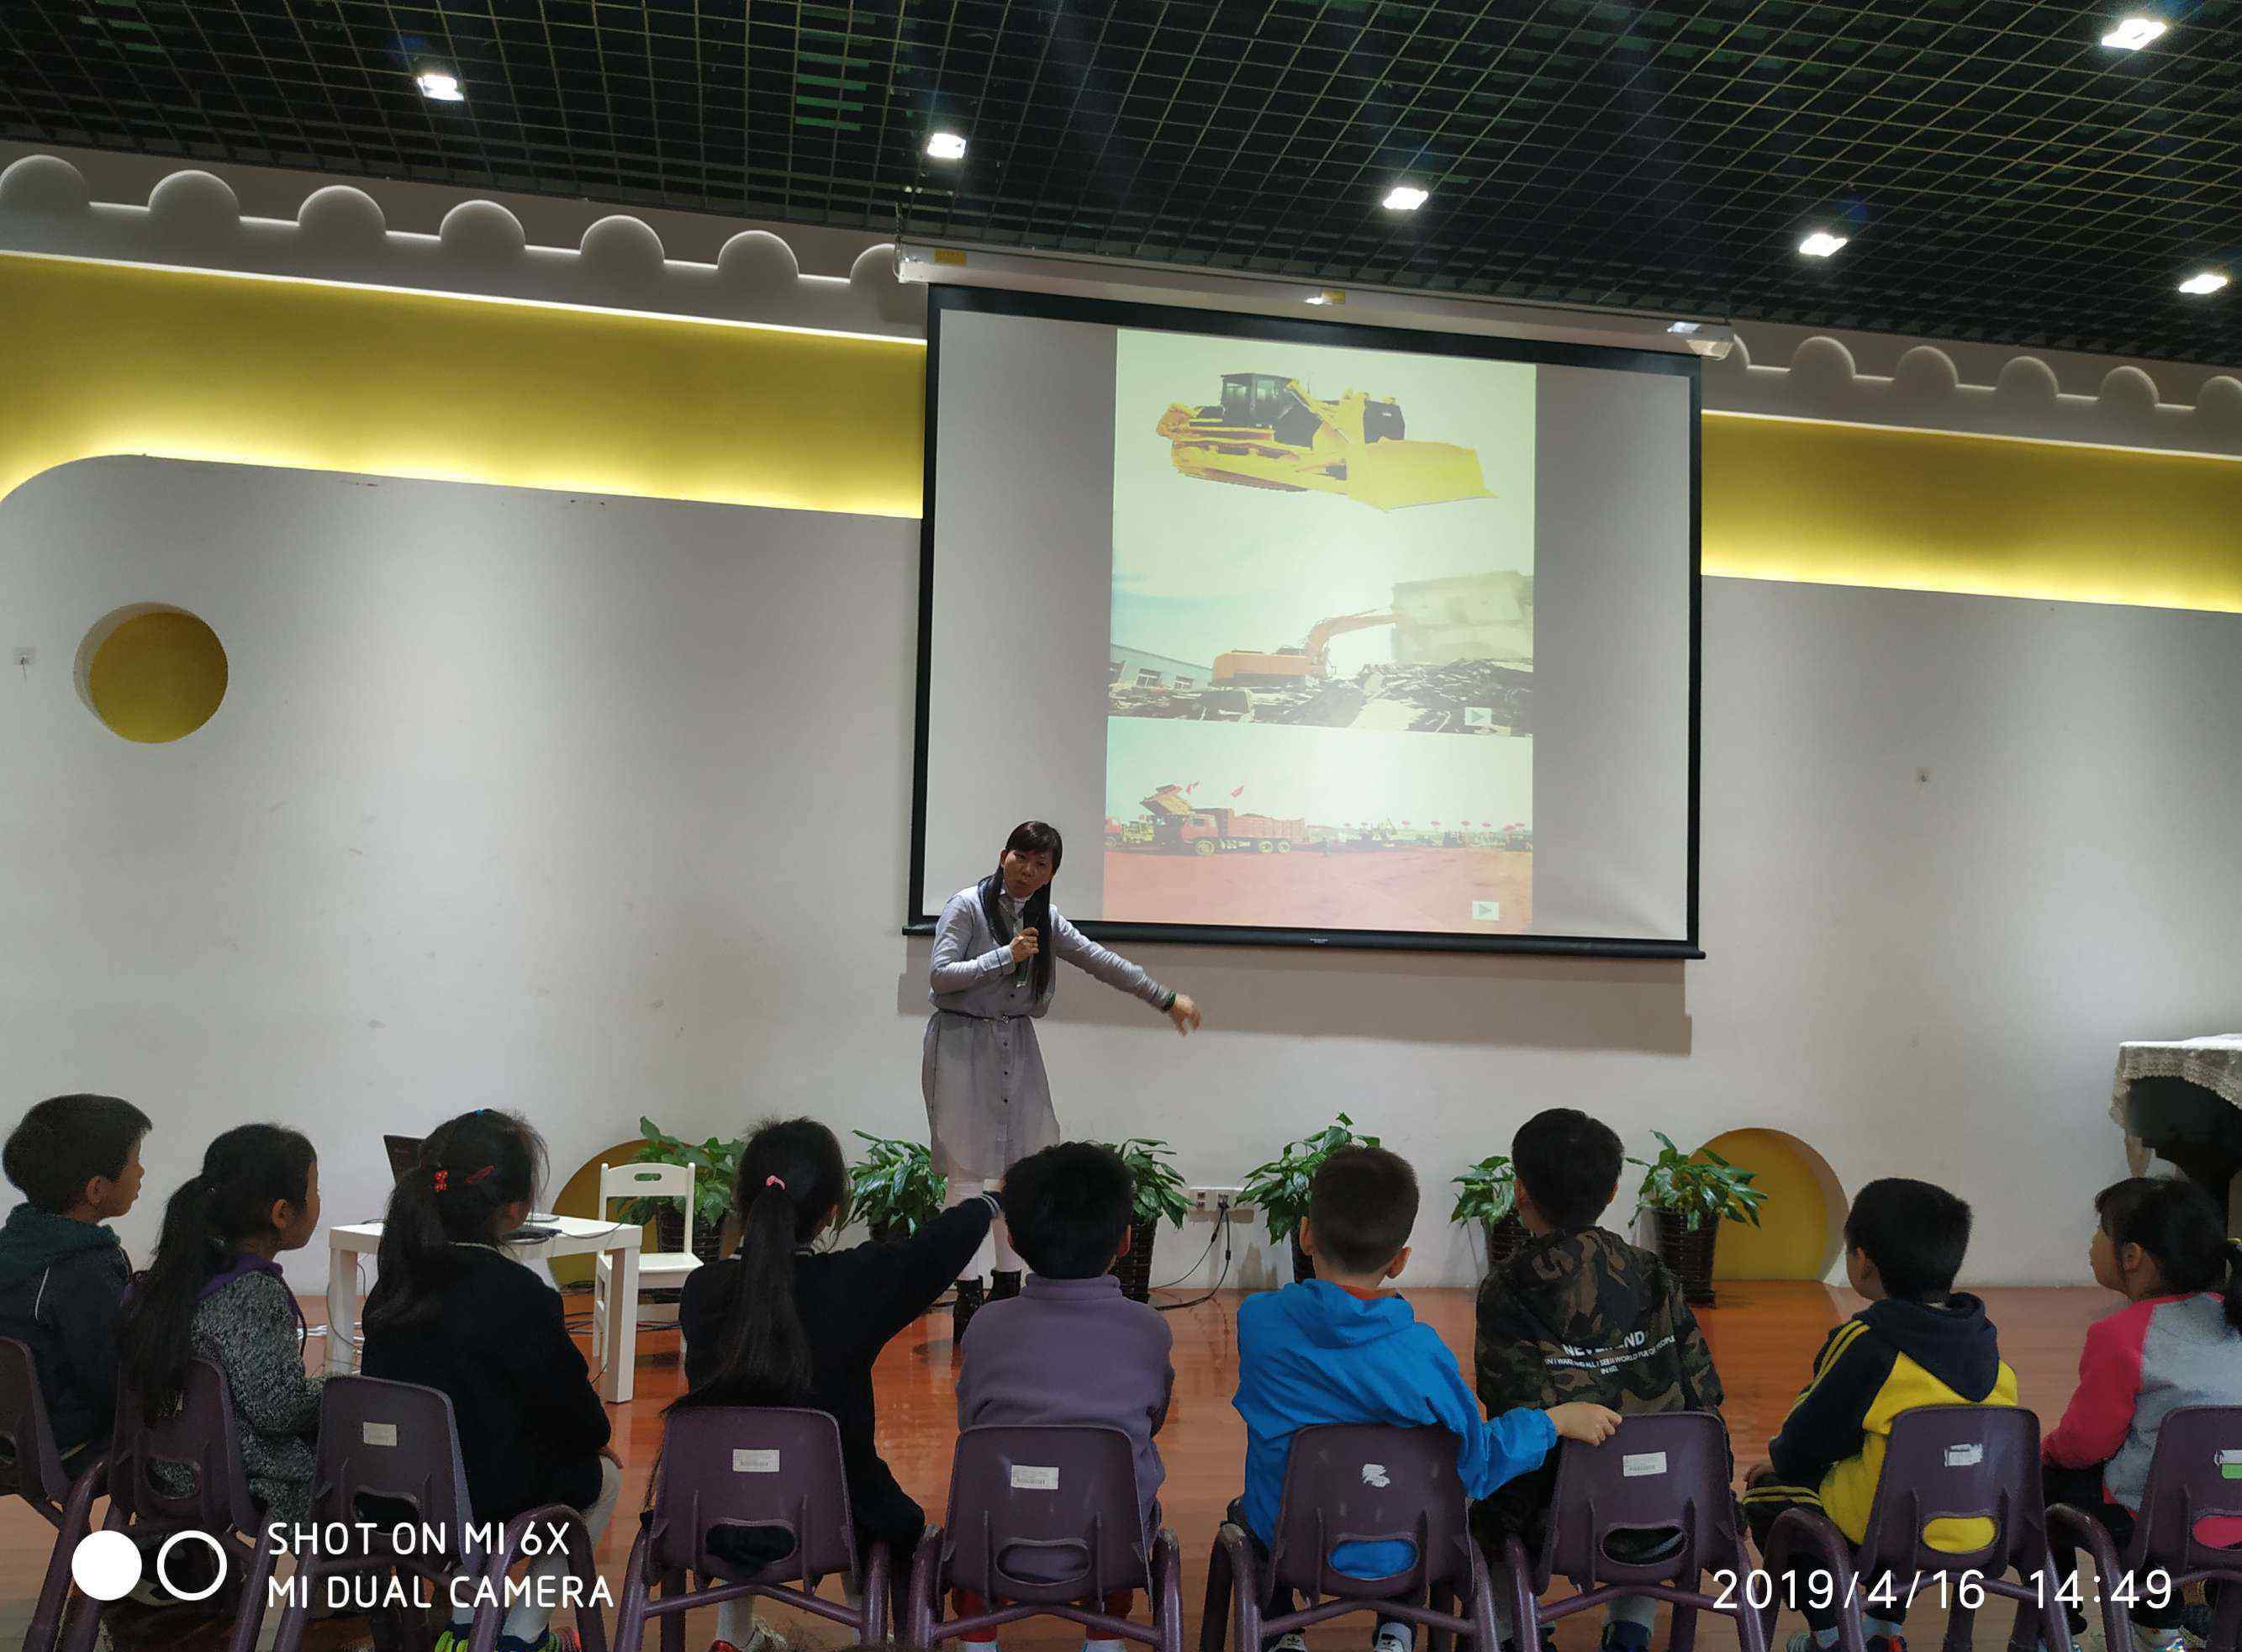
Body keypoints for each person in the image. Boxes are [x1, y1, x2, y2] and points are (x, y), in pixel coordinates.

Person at [1235, 1146, 1621, 1652]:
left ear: (1306, 1235)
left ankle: (1282, 1634)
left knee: (1250, 1509)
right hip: (1405, 1547)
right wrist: (1551, 1422)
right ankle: (1399, 1626)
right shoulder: (1422, 1356)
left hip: (1291, 1540)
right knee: (1433, 1503)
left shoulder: (1257, 1322)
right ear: (1400, 1262)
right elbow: (1478, 1462)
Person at [678, 1117, 1002, 1652]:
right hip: (838, 1514)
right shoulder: (853, 1284)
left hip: (711, 1512)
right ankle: (876, 1632)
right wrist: (989, 1204)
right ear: (831, 1213)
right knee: (884, 1512)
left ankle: (731, 1638)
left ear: (744, 1201)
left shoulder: (701, 1291)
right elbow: (931, 1251)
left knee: (746, 1464)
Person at [923, 821, 1201, 1335]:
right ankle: (967, 1295)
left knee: (1018, 1172)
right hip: (963, 1041)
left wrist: (1164, 998)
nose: (1029, 872)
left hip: (1017, 1044)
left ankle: (1008, 1288)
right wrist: (1005, 956)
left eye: (1042, 865)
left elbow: (1101, 961)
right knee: (964, 1174)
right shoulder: (966, 906)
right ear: (1003, 854)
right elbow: (940, 977)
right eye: (1022, 859)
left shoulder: (1045, 919)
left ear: (1051, 872)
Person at [361, 1111, 617, 1652]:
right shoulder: (522, 1296)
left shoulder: (390, 1291)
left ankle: (464, 1624)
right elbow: (583, 1421)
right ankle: (523, 1634)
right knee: (604, 1478)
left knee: (462, 1465)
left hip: (397, 1500)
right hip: (488, 1500)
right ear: (516, 1208)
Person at [1474, 1109, 1726, 1652]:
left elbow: (1510, 1408)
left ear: (1519, 1191)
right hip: (1673, 1504)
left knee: (1482, 1498)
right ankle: (1629, 1629)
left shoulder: (1507, 1286)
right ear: (1614, 1190)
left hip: (1562, 1513)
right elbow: (1702, 1393)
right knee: (1650, 1458)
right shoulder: (1654, 1272)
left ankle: (1518, 1631)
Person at [1742, 1178, 2017, 1652]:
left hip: (1884, 1531)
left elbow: (1809, 1439)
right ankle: (1882, 1632)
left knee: (1770, 1499)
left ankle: (1831, 1636)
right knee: (1904, 1482)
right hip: (1979, 1523)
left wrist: (1779, 1461)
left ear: (1863, 1260)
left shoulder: (1868, 1342)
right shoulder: (1986, 1344)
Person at [952, 1142, 1175, 1652]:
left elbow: (973, 1421)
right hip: (1111, 1545)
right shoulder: (1148, 1330)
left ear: (1012, 1236)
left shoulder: (985, 1326)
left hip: (995, 1535)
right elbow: (1153, 1416)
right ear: (1124, 1240)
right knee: (1124, 1497)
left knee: (976, 1505)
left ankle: (978, 1638)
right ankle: (1104, 1638)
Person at [2042, 1177, 2242, 1652]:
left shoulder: (2123, 1333)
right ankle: (2176, 1622)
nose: (2093, 1242)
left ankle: (2065, 1626)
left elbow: (2085, 1444)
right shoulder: (2234, 1319)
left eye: (2100, 1231)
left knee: (2044, 1484)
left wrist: (2046, 1451)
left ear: (2131, 1256)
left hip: (2156, 1524)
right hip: (2236, 1510)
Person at [115, 1125, 325, 1532]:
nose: (318, 1203)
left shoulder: (168, 1277)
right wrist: (336, 1387)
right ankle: (342, 1590)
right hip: (229, 1475)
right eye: (315, 1192)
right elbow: (277, 1411)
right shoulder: (254, 1294)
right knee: (349, 1465)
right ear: (282, 1213)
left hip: (159, 1466)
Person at [0, 1093, 151, 1462]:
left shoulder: (13, 1243)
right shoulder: (86, 1268)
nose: (142, 1172)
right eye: (136, 1161)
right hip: (56, 1444)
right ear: (96, 1189)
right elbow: (113, 1384)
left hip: (9, 1436)